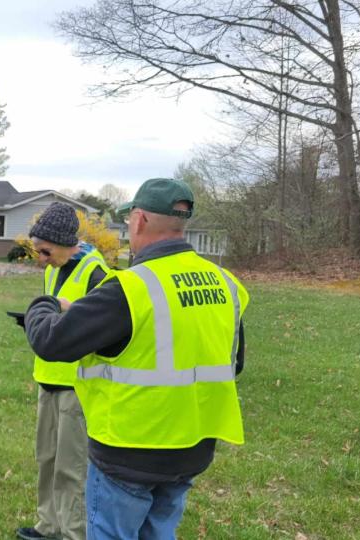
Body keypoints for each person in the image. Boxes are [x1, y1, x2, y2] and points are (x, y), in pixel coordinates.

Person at [24, 178, 248, 540]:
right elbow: (233, 361)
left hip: (129, 452)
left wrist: (44, 305)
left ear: (139, 220)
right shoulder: (226, 283)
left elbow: (50, 341)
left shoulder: (130, 288)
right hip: (191, 449)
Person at [16, 203, 110, 540]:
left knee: (71, 467)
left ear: (65, 243)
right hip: (48, 377)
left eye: (45, 251)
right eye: (36, 251)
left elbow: (101, 330)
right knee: (47, 459)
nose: (40, 258)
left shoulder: (97, 275)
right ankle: (47, 526)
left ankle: (73, 533)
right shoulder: (52, 269)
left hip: (76, 384)